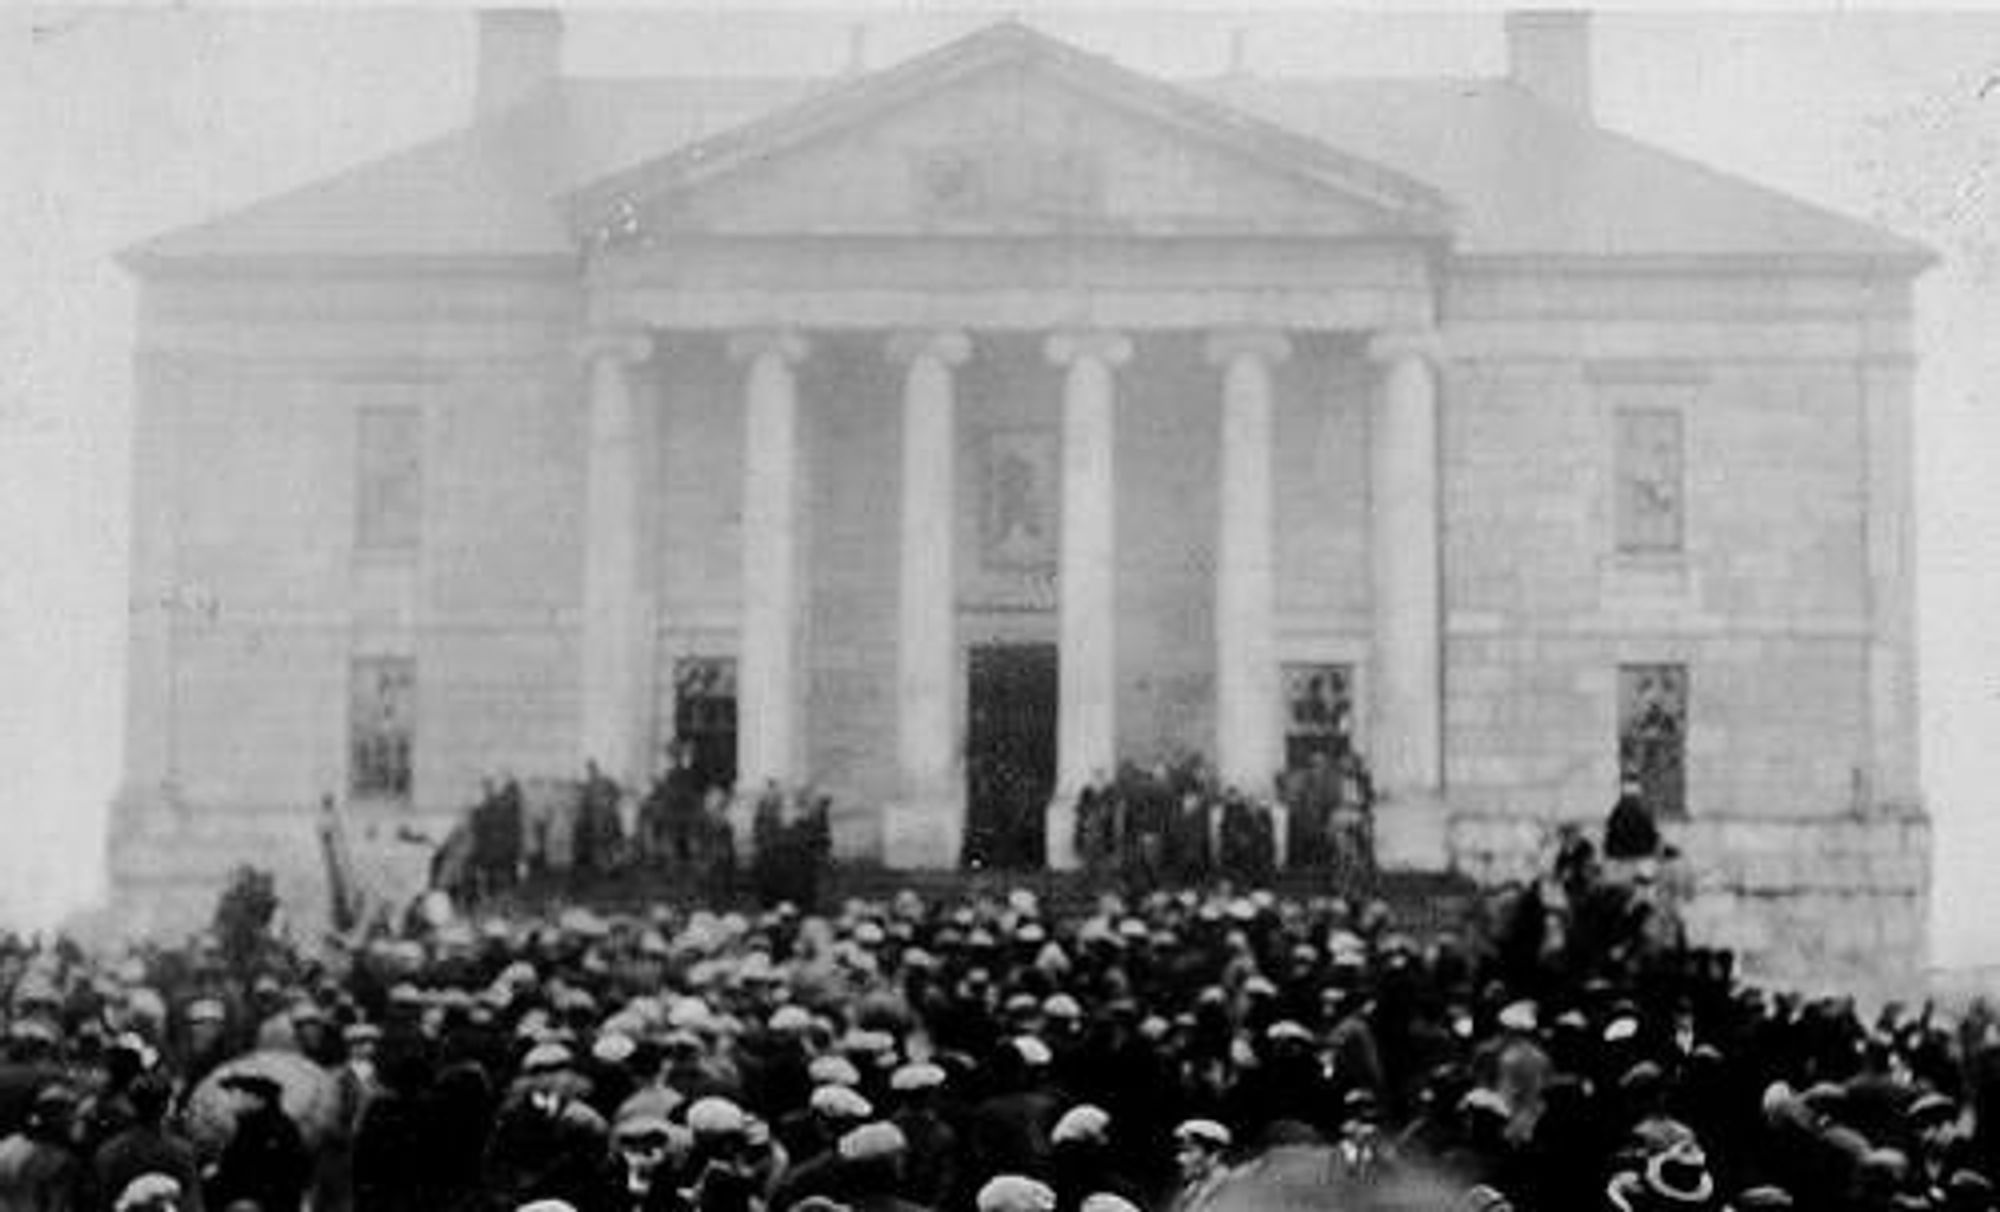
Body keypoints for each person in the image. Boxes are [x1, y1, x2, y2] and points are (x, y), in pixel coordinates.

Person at [92, 1075, 203, 1212]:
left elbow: (101, 1204)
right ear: (165, 1106)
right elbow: (193, 1206)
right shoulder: (182, 1151)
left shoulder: (108, 1151)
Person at [206, 1075, 308, 1212]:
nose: (231, 1100)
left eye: (236, 1095)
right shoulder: (250, 1125)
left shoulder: (269, 1131)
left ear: (257, 1099)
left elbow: (259, 1175)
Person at [0, 1083, 81, 1212]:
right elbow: (56, 1204)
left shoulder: (8, 1145)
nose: (73, 1119)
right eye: (69, 1112)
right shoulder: (58, 1159)